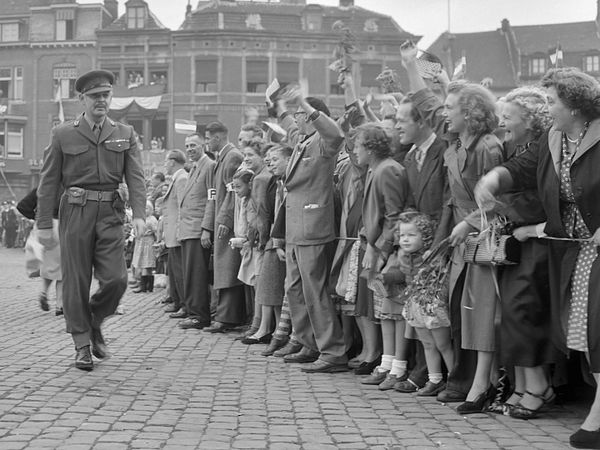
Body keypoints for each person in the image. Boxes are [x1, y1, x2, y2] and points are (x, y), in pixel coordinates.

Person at [474, 67, 600, 449]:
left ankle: (596, 418)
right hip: (574, 250)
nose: (548, 108)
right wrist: (494, 178)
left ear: (576, 106)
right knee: (584, 333)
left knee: (597, 330)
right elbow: (521, 168)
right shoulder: (554, 137)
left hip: (598, 248)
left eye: (553, 101)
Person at [36, 69, 146, 371]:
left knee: (117, 279)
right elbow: (47, 182)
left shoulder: (125, 133)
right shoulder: (63, 133)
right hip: (76, 211)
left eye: (106, 95)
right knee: (75, 281)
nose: (101, 101)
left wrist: (140, 215)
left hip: (110, 213)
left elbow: (135, 177)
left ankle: (95, 319)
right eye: (95, 96)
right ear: (81, 98)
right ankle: (82, 345)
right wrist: (44, 223)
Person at [486, 87, 556, 418]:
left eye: (508, 116)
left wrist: (503, 203)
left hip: (538, 239)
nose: (502, 122)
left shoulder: (543, 147)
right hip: (517, 238)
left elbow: (541, 196)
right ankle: (525, 385)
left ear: (530, 120)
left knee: (525, 310)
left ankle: (540, 385)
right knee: (513, 314)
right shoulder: (515, 145)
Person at [275, 92, 348, 373]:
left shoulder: (322, 141)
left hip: (313, 227)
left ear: (311, 117)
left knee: (315, 292)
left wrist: (306, 105)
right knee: (295, 290)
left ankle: (333, 350)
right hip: (295, 229)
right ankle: (309, 342)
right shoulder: (302, 140)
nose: (296, 118)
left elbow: (336, 135)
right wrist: (280, 106)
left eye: (300, 114)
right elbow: (289, 127)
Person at [353, 123, 412, 389]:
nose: (355, 151)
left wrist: (380, 250)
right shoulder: (376, 169)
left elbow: (393, 215)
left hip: (391, 251)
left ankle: (398, 367)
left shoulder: (388, 169)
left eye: (358, 145)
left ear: (371, 147)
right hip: (379, 247)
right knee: (386, 311)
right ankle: (387, 363)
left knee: (396, 310)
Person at [399, 211, 453, 397]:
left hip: (432, 305)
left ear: (427, 236)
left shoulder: (433, 258)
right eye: (402, 235)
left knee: (443, 344)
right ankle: (435, 379)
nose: (405, 240)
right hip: (415, 305)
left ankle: (455, 380)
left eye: (411, 235)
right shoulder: (404, 257)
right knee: (427, 344)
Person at [203, 121, 245, 333]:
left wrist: (225, 220)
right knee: (223, 268)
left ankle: (228, 317)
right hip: (220, 218)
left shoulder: (232, 157)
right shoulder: (221, 158)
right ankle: (223, 313)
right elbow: (214, 193)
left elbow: (233, 192)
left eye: (208, 138)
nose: (206, 142)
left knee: (228, 267)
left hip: (227, 222)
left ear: (218, 138)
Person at [177, 133, 215, 330]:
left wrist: (206, 228)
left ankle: (200, 315)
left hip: (197, 228)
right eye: (187, 145)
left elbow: (211, 199)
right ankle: (193, 311)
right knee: (190, 273)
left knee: (197, 274)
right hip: (187, 229)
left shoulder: (208, 166)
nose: (190, 148)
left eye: (193, 145)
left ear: (203, 145)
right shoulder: (194, 167)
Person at [161, 149, 189, 319]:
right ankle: (177, 301)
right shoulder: (177, 178)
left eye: (166, 161)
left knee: (179, 271)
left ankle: (184, 304)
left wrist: (179, 231)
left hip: (177, 234)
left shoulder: (182, 178)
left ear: (172, 161)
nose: (165, 164)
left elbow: (182, 207)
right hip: (171, 234)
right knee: (173, 270)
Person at [131, 200, 158, 293]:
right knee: (141, 263)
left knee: (147, 264)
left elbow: (156, 231)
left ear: (151, 209)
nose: (144, 210)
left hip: (148, 242)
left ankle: (146, 286)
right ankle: (144, 285)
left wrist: (157, 241)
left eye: (146, 208)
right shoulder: (141, 219)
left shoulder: (152, 219)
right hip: (140, 242)